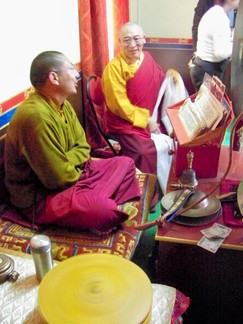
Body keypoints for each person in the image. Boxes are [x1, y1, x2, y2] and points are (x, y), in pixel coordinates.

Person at [4, 51, 141, 235]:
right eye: (71, 69)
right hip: (41, 197)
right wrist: (71, 164)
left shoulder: (62, 103)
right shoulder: (35, 116)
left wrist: (66, 160)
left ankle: (89, 198)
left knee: (126, 163)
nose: (77, 74)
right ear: (54, 77)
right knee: (104, 210)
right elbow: (57, 179)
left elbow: (83, 145)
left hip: (72, 177)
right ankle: (93, 200)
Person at [102, 22, 187, 194]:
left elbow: (158, 80)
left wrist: (170, 75)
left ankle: (170, 181)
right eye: (126, 40)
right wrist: (146, 120)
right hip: (125, 122)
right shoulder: (113, 69)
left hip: (151, 114)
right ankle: (147, 194)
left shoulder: (146, 57)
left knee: (173, 136)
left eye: (136, 39)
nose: (133, 44)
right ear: (119, 42)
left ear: (144, 39)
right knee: (145, 151)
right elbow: (119, 105)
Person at [190, 0, 240, 91]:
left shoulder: (215, 13)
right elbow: (220, 53)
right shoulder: (219, 17)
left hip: (204, 68)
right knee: (210, 104)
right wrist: (237, 49)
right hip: (208, 69)